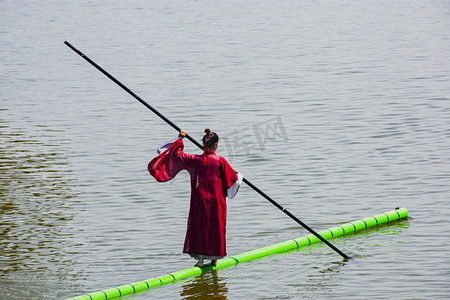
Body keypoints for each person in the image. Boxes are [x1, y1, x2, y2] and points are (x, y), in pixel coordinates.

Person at [148, 129, 243, 267]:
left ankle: (200, 260)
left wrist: (180, 139)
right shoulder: (220, 161)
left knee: (200, 226)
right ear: (215, 145)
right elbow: (232, 182)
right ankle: (214, 259)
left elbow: (176, 154)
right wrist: (240, 177)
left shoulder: (195, 160)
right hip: (216, 201)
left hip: (200, 200)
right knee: (215, 225)